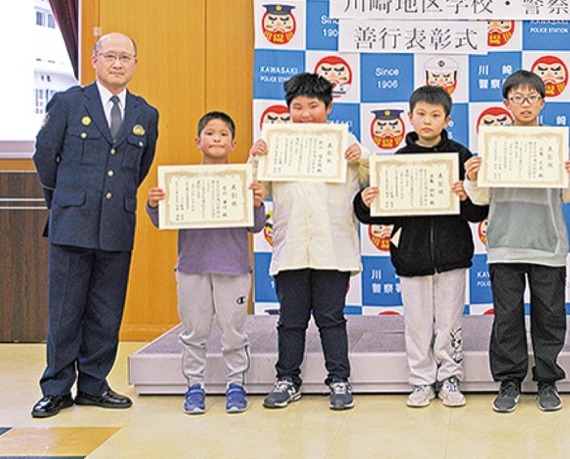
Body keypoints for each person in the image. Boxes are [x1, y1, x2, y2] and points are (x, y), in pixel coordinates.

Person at [32, 32, 159, 418]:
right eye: (110, 56)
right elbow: (44, 156)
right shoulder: (69, 103)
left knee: (106, 311)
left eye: (125, 57)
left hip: (117, 225)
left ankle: (93, 384)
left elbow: (139, 167)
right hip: (71, 224)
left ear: (135, 64)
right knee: (66, 311)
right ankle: (56, 388)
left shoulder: (145, 113)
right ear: (94, 60)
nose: (118, 63)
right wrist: (64, 203)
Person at [353, 86, 488, 408]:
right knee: (415, 323)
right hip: (410, 256)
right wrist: (365, 202)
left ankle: (450, 376)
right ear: (410, 117)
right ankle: (421, 380)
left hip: (452, 255)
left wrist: (467, 195)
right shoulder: (396, 162)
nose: (428, 121)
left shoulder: (461, 156)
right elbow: (375, 214)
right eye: (421, 114)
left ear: (447, 119)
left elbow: (478, 213)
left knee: (450, 321)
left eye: (435, 115)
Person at [464, 70, 570, 413]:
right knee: (507, 317)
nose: (525, 104)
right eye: (517, 98)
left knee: (550, 316)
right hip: (505, 242)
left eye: (532, 97)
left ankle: (547, 380)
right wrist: (473, 177)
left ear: (542, 102)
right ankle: (509, 381)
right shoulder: (494, 144)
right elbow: (480, 197)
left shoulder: (555, 143)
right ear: (506, 104)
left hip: (548, 243)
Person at [250, 72, 368, 411]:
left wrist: (361, 156)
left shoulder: (348, 143)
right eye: (297, 107)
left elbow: (374, 184)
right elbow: (257, 192)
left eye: (313, 106)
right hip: (291, 249)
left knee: (332, 318)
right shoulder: (274, 145)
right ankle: (287, 379)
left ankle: (340, 380)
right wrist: (255, 158)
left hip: (333, 249)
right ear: (287, 109)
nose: (304, 114)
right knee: (290, 320)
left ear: (328, 108)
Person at [146, 111, 267, 414]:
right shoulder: (181, 182)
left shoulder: (244, 181)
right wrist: (153, 203)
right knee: (194, 332)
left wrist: (257, 204)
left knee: (233, 332)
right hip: (192, 267)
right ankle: (194, 386)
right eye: (210, 133)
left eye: (223, 134)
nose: (216, 138)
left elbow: (255, 226)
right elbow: (163, 221)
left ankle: (236, 385)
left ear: (233, 143)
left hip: (234, 267)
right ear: (198, 141)